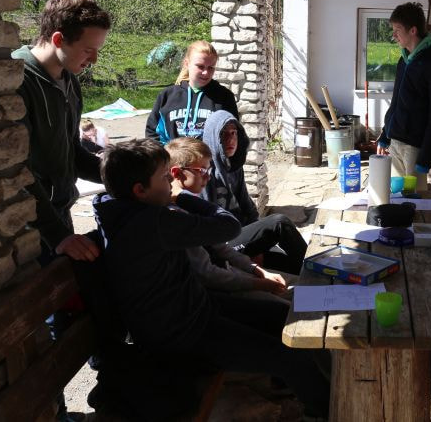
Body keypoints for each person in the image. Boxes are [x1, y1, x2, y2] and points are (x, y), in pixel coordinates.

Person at [94, 139, 330, 418]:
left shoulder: (115, 210)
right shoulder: (154, 222)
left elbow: (221, 245)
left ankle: (302, 388)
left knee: (284, 317)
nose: (170, 183)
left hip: (193, 309)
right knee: (291, 357)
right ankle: (328, 410)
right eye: (164, 177)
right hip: (182, 335)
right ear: (140, 190)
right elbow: (228, 227)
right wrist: (184, 197)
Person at [13, 0, 110, 264]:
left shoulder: (69, 81)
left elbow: (72, 152)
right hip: (30, 228)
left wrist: (123, 177)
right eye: (88, 50)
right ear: (58, 39)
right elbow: (17, 172)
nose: (94, 60)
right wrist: (57, 235)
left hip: (60, 215)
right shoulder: (17, 81)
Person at [165, 137, 296, 303]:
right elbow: (207, 274)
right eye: (202, 171)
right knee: (289, 307)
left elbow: (222, 248)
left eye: (209, 170)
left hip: (233, 273)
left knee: (303, 286)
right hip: (221, 291)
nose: (208, 177)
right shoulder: (179, 216)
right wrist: (259, 284)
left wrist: (259, 271)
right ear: (177, 173)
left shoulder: (195, 203)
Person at [202, 110, 308, 274]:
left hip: (240, 236)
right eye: (223, 134)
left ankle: (320, 275)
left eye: (234, 133)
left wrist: (256, 241)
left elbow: (248, 208)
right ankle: (315, 268)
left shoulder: (234, 167)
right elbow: (207, 228)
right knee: (279, 223)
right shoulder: (204, 172)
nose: (230, 139)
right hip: (221, 247)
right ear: (213, 137)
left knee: (294, 262)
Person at [376, 1, 431, 191]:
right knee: (394, 196)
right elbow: (395, 103)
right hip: (395, 142)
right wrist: (385, 135)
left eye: (397, 30)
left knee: (414, 201)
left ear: (413, 30)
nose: (394, 35)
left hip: (414, 149)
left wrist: (425, 158)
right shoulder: (403, 62)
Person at [145, 40, 239, 144]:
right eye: (200, 66)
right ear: (187, 64)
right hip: (172, 155)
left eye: (211, 68)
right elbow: (152, 133)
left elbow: (234, 137)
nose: (206, 72)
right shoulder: (167, 96)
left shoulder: (224, 97)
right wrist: (166, 153)